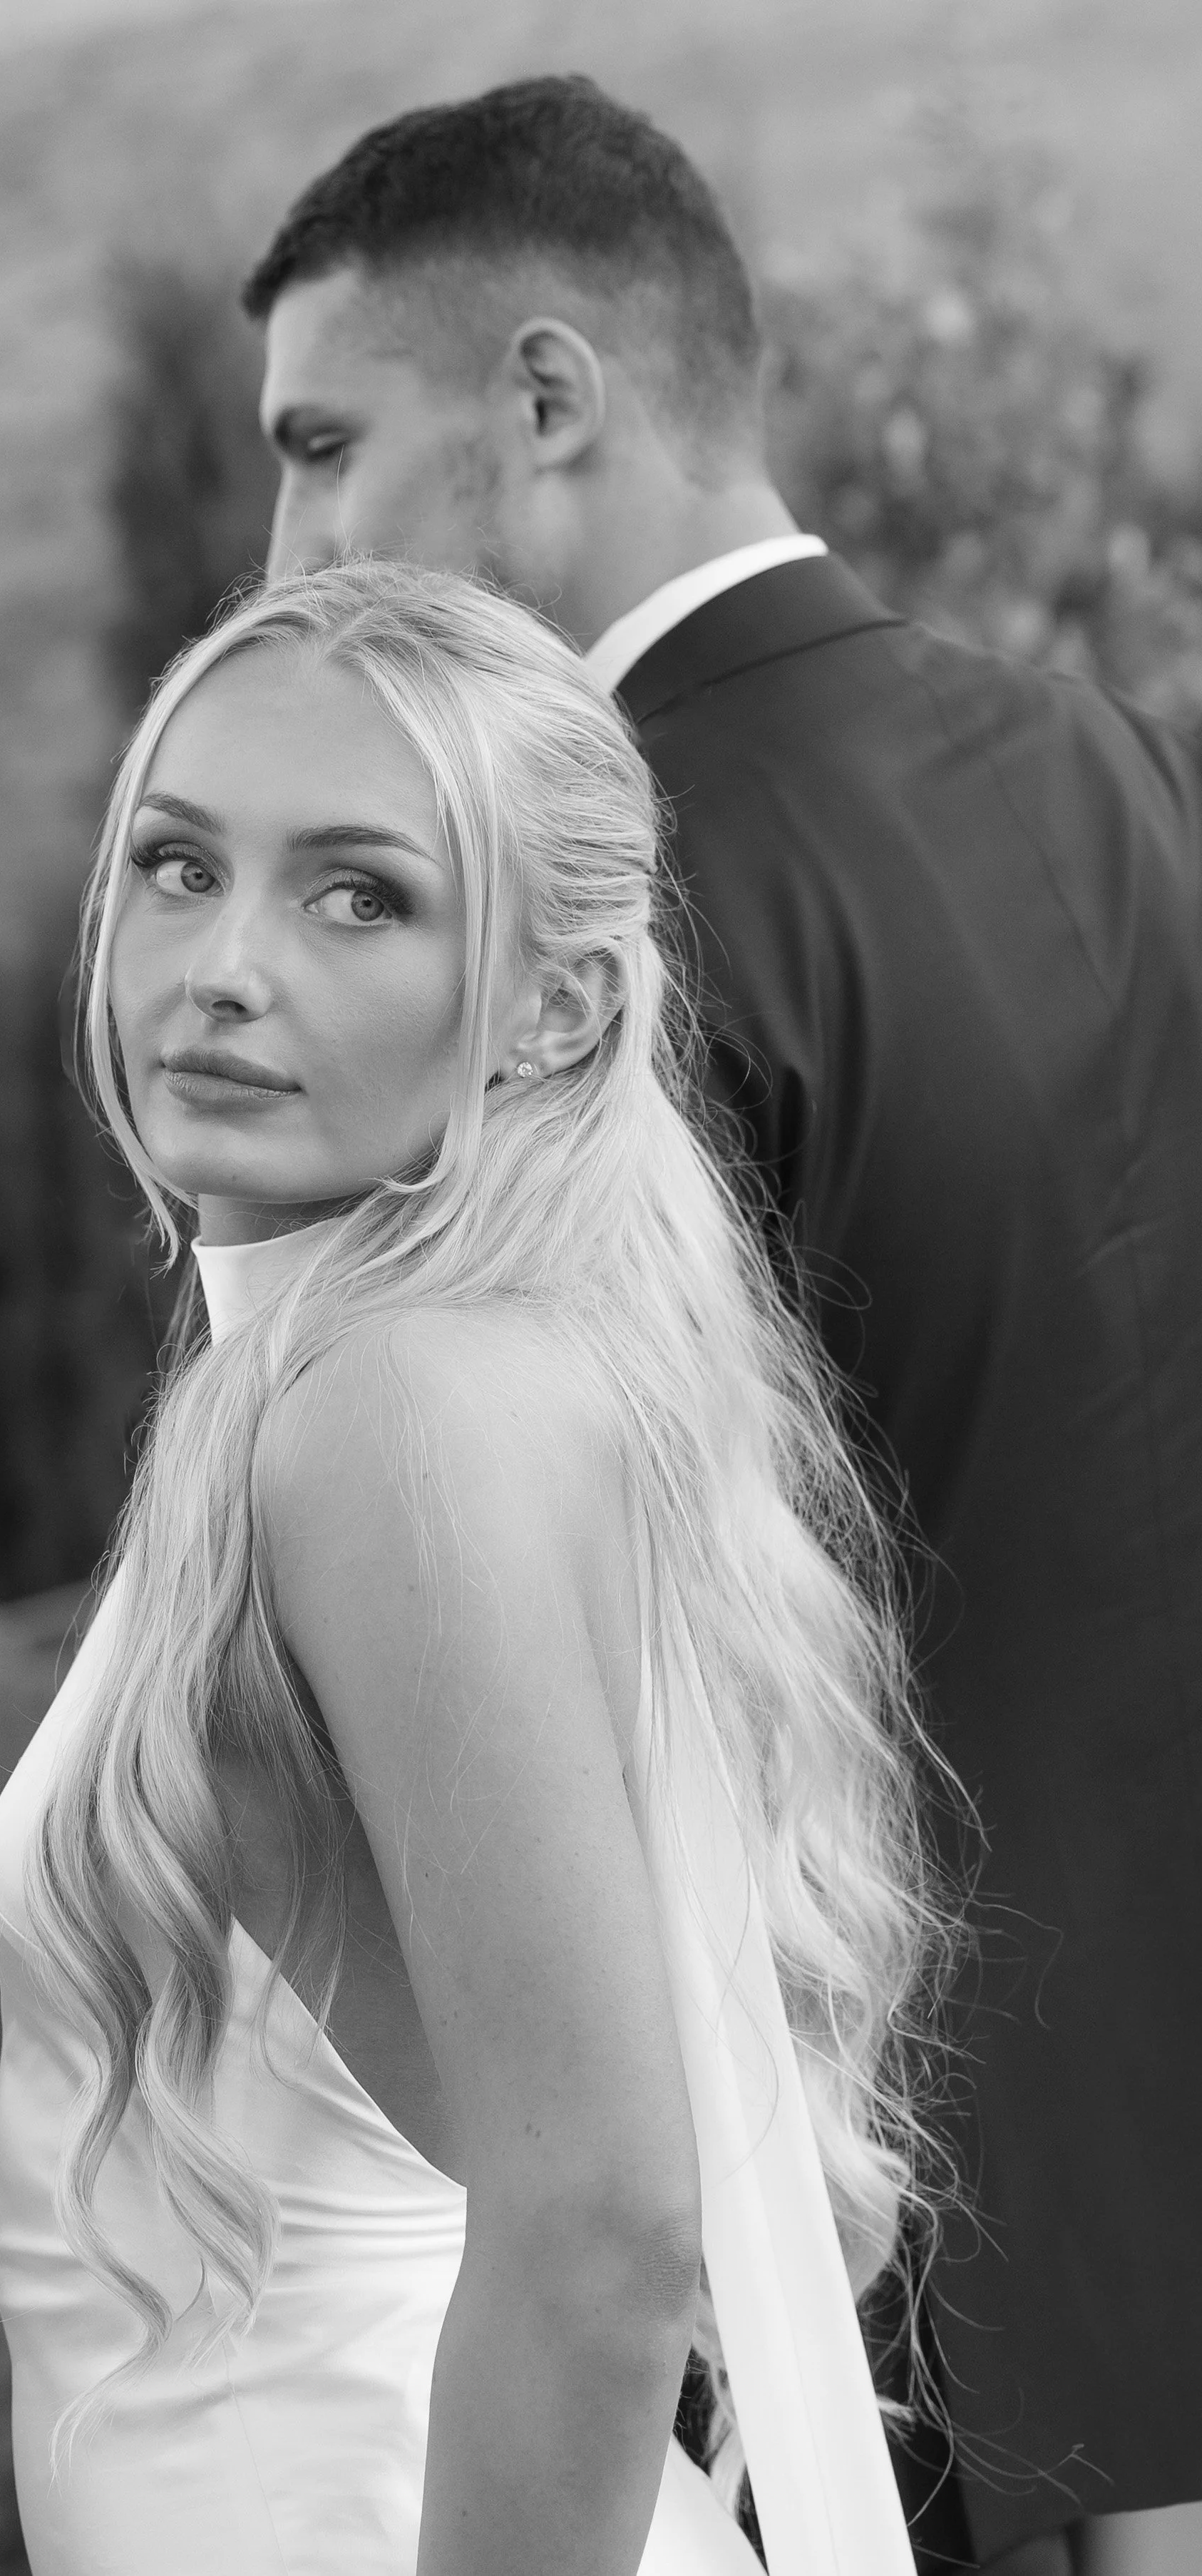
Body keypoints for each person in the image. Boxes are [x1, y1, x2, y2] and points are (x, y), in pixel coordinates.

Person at [240, 76, 1202, 2576]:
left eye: (325, 448)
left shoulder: (582, 947)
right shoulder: (1118, 770)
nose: (289, 547)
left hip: (877, 2278)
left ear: (548, 399)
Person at [0, 561, 955, 2574]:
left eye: (360, 897)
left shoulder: (389, 1411)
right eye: (177, 865)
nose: (223, 966)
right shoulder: (383, 1375)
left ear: (555, 1003)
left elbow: (602, 2227)